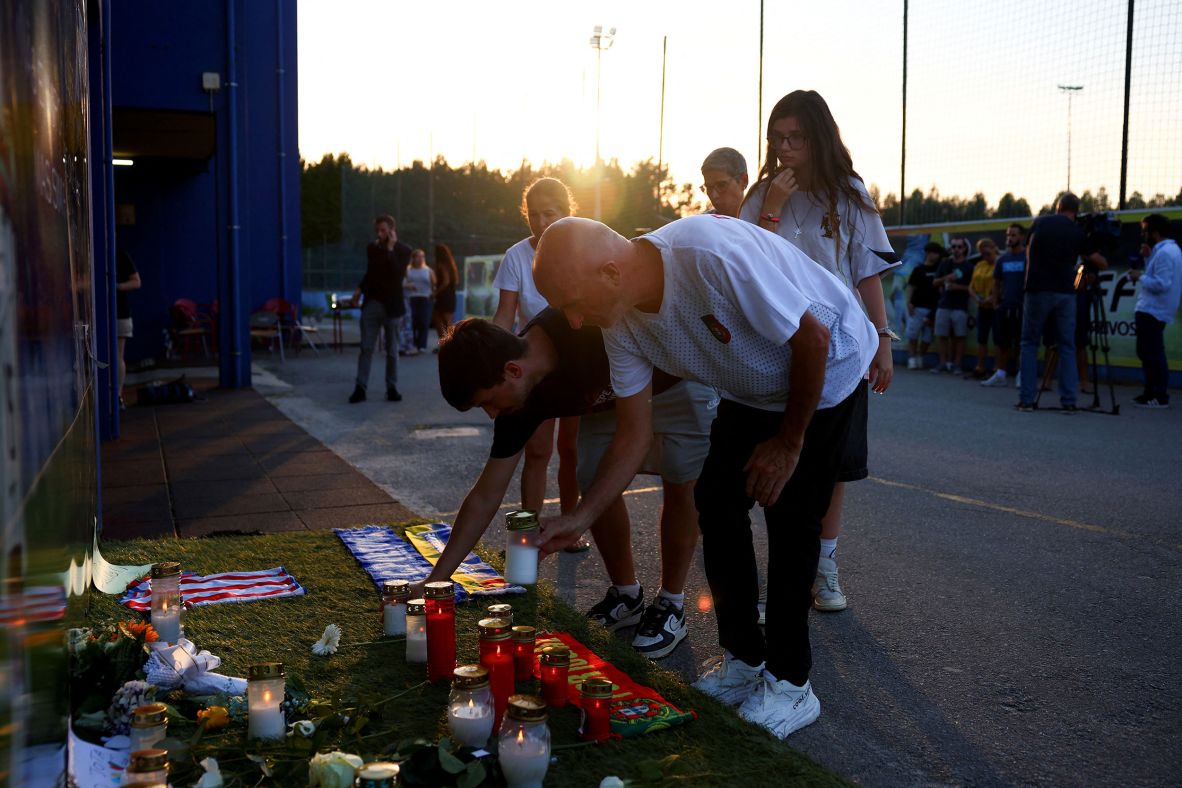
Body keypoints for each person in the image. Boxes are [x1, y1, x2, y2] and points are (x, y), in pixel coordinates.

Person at [533, 214, 880, 738]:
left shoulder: (709, 257)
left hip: (829, 367)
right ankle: (745, 659)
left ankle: (791, 684)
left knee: (791, 518)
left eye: (572, 303)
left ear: (609, 272)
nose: (574, 321)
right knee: (715, 501)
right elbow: (632, 436)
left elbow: (812, 339)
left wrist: (788, 444)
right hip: (753, 388)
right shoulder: (620, 321)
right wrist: (580, 516)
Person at [424, 313, 715, 659]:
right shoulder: (519, 398)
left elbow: (637, 435)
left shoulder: (584, 325)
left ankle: (672, 601)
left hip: (672, 377)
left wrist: (578, 519)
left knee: (681, 476)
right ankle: (627, 594)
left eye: (487, 401)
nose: (491, 414)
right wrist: (435, 580)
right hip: (612, 394)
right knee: (592, 475)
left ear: (513, 370)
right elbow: (486, 494)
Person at [739, 89, 898, 613]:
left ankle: (824, 565)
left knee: (831, 465)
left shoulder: (849, 192)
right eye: (777, 138)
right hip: (776, 342)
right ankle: (788, 570)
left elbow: (866, 270)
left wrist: (883, 342)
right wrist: (774, 208)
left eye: (796, 138)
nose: (785, 148)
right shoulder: (763, 193)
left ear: (819, 138)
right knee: (775, 458)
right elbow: (746, 263)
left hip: (842, 345)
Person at [491, 178, 586, 550]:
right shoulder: (516, 256)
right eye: (534, 214)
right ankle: (526, 536)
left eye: (551, 213)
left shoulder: (581, 248)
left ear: (567, 213)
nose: (542, 221)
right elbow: (504, 316)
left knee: (573, 451)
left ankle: (569, 530)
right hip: (537, 368)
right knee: (537, 451)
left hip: (578, 364)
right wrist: (491, 362)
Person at [1016, 193, 1107, 412]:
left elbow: (1029, 252)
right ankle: (1069, 401)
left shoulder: (1039, 223)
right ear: (1075, 211)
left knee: (1029, 343)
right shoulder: (1077, 232)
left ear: (1058, 207)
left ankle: (1026, 400)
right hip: (1066, 293)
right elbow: (1099, 262)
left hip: (1037, 289)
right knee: (1067, 345)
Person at [349, 215, 411, 403]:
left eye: (383, 230)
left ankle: (391, 387)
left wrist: (390, 249)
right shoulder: (372, 248)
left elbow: (397, 275)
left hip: (392, 306)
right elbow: (371, 273)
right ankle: (360, 387)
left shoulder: (404, 250)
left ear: (392, 230)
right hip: (372, 304)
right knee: (366, 347)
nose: (379, 233)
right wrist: (358, 291)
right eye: (377, 230)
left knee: (392, 350)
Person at [1129, 213, 1182, 409]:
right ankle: (1151, 392)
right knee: (1147, 351)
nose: (1143, 235)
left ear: (1155, 233)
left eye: (1146, 231)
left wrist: (1139, 276)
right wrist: (1147, 259)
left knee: (1152, 352)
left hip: (1153, 309)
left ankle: (1158, 395)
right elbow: (1158, 276)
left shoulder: (1166, 252)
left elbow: (1162, 284)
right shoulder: (1166, 251)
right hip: (1154, 308)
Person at [982, 224, 1027, 387]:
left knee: (1022, 343)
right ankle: (1000, 373)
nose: (1010, 238)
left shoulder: (1027, 257)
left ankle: (1022, 374)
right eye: (1008, 235)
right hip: (1004, 307)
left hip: (1023, 307)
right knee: (1002, 343)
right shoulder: (1002, 259)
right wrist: (995, 303)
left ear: (1022, 237)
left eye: (1014, 235)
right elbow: (996, 283)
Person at [931, 237, 974, 374]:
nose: (956, 249)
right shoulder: (945, 263)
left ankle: (957, 364)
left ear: (965, 248)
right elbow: (935, 282)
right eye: (954, 246)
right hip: (944, 305)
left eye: (959, 247)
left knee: (959, 337)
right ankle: (943, 363)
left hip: (960, 306)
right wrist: (945, 279)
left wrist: (958, 287)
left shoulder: (969, 266)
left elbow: (972, 288)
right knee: (941, 335)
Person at [905, 242, 942, 369]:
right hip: (917, 307)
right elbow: (911, 287)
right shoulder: (918, 269)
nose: (936, 256)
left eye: (937, 253)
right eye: (933, 252)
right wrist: (909, 302)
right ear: (927, 253)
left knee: (927, 338)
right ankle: (912, 358)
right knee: (913, 335)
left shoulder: (940, 269)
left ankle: (920, 356)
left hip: (933, 309)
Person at [967, 238, 1000, 379]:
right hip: (982, 306)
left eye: (987, 251)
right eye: (982, 252)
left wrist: (992, 297)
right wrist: (976, 297)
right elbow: (971, 286)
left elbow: (1001, 283)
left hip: (996, 306)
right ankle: (980, 367)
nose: (985, 255)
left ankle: (997, 369)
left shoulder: (1000, 262)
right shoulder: (980, 265)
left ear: (993, 248)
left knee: (999, 338)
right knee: (982, 338)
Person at [115, 248, 141, 408]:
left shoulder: (120, 254)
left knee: (117, 356)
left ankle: (117, 395)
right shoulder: (85, 253)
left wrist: (115, 286)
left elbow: (137, 282)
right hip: (95, 316)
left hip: (119, 313)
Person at [404, 249, 436, 355]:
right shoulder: (408, 270)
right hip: (412, 298)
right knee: (413, 322)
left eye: (423, 256)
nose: (421, 258)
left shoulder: (428, 270)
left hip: (425, 298)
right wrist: (409, 286)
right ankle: (413, 343)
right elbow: (404, 282)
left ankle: (422, 345)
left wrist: (433, 293)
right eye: (418, 256)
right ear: (413, 258)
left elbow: (434, 283)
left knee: (424, 321)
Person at [700, 147, 748, 218]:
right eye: (708, 187)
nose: (714, 196)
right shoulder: (701, 225)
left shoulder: (763, 224)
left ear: (744, 181)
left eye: (721, 185)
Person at [431, 243, 459, 350]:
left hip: (444, 296)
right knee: (444, 321)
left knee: (444, 322)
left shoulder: (442, 264)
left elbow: (445, 282)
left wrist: (435, 292)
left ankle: (448, 344)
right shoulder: (450, 264)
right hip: (449, 296)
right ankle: (445, 344)